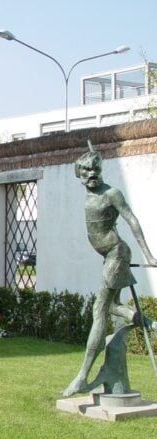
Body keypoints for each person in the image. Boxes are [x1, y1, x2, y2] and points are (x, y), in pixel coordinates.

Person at [62, 148, 157, 397]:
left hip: (117, 253)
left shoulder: (111, 193)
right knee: (113, 306)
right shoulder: (90, 193)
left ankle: (82, 376)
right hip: (109, 257)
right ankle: (150, 323)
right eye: (86, 170)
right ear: (78, 173)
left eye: (96, 169)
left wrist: (147, 254)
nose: (91, 174)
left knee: (99, 310)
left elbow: (131, 219)